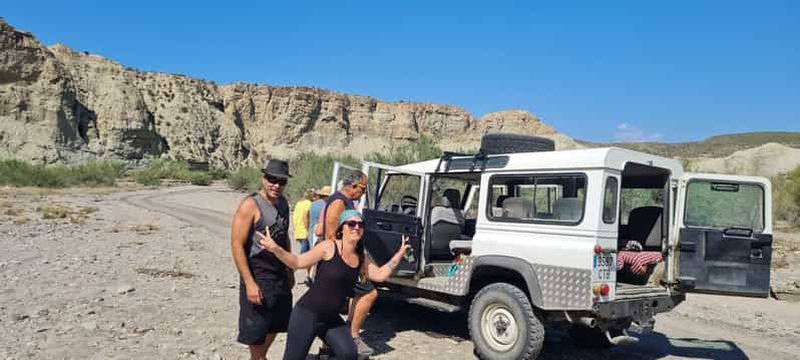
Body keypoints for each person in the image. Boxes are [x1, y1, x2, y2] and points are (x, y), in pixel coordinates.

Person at [257, 210, 410, 360]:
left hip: (330, 319)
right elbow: (298, 262)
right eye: (351, 224)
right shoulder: (329, 247)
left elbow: (380, 275)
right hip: (307, 314)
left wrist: (400, 254)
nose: (356, 227)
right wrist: (275, 249)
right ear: (341, 228)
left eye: (360, 224)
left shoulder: (360, 256)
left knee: (349, 354)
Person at [230, 159, 295, 360]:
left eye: (281, 181)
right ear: (263, 178)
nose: (276, 185)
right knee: (256, 326)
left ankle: (259, 357)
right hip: (258, 272)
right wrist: (249, 283)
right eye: (271, 179)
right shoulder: (250, 206)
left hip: (279, 273)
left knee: (277, 322)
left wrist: (290, 269)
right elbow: (237, 245)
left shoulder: (283, 203)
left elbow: (284, 237)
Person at [317, 171, 377, 356]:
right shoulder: (339, 202)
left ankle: (328, 348)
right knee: (369, 293)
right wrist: (345, 261)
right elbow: (331, 234)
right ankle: (352, 335)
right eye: (363, 189)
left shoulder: (344, 201)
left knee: (334, 304)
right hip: (340, 261)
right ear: (353, 185)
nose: (363, 193)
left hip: (344, 260)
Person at [292, 188, 315, 254]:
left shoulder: (298, 204)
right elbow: (305, 216)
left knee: (303, 251)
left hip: (298, 231)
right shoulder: (309, 204)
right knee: (304, 253)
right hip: (305, 232)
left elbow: (294, 216)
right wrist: (308, 230)